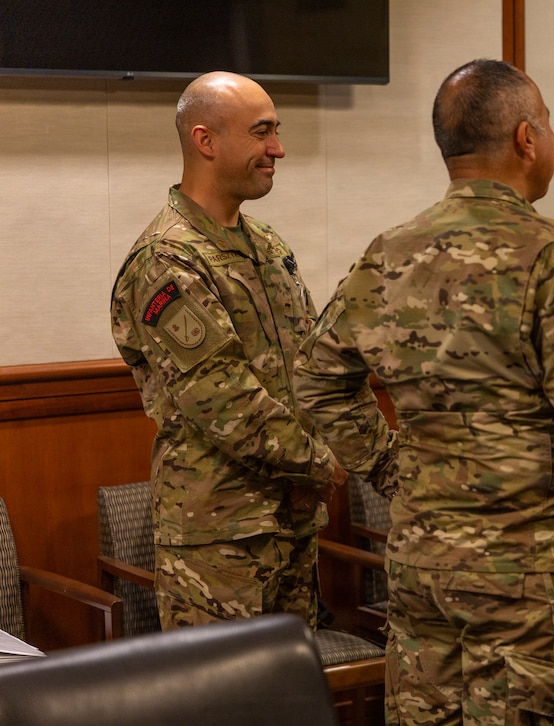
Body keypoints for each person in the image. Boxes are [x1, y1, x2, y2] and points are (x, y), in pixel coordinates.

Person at [293, 58, 554, 725]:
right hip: (524, 573)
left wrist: (392, 468)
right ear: (526, 138)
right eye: (546, 122)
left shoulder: (389, 252)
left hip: (420, 561)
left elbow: (316, 379)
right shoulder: (551, 253)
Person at [110, 71, 395, 631]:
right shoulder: (166, 262)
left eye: (276, 132)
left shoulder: (266, 246)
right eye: (262, 133)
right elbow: (225, 402)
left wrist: (382, 458)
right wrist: (325, 462)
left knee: (287, 700)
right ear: (205, 141)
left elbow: (315, 365)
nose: (278, 150)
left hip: (291, 523)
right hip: (220, 538)